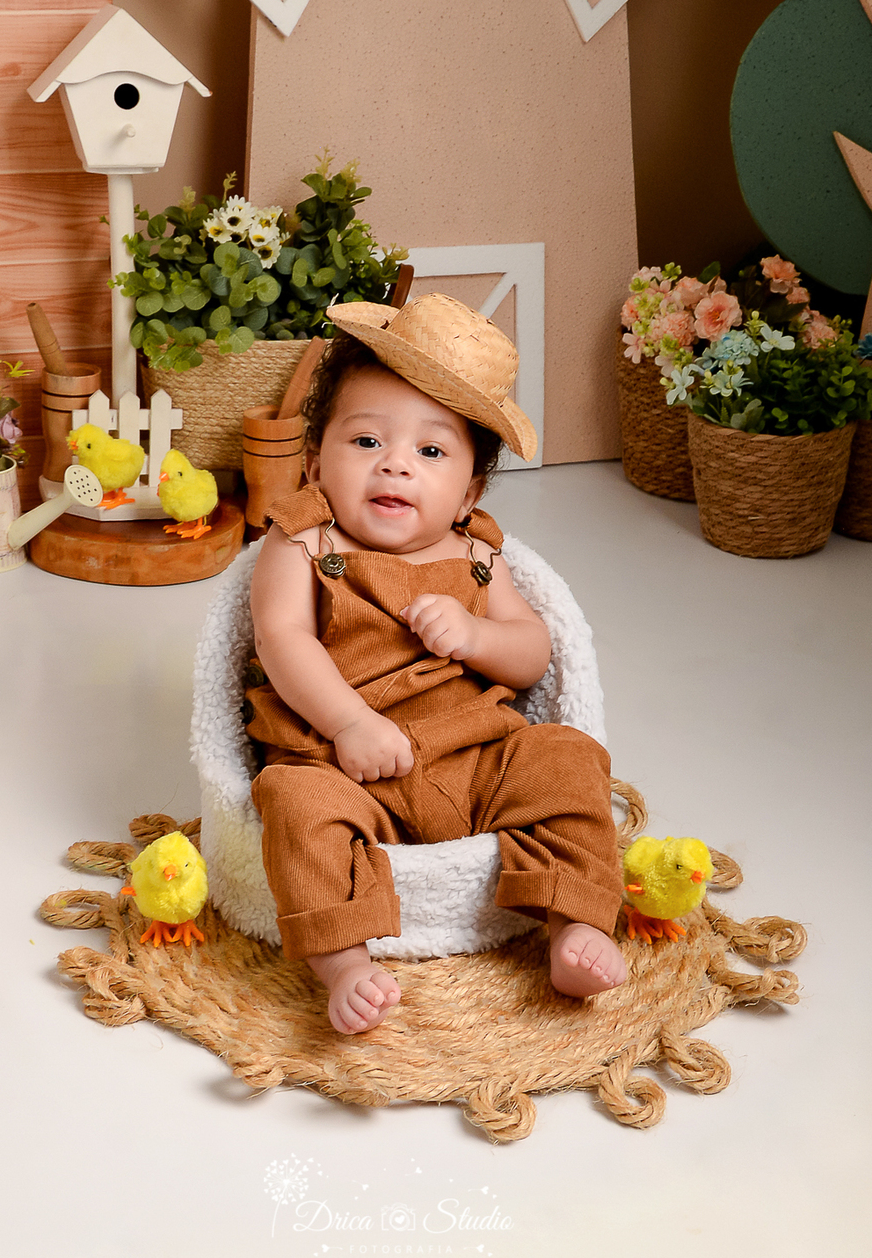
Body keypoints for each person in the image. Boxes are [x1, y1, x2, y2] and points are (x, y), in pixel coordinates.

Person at [247, 294, 625, 1034]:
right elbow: (281, 638)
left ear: (468, 493)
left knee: (567, 758)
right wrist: (349, 721)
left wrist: (477, 639)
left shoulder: (479, 555)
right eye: (364, 442)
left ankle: (571, 923)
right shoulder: (304, 541)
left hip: (476, 760)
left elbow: (533, 653)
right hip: (345, 763)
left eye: (431, 451)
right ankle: (345, 961)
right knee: (292, 804)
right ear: (316, 457)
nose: (394, 464)